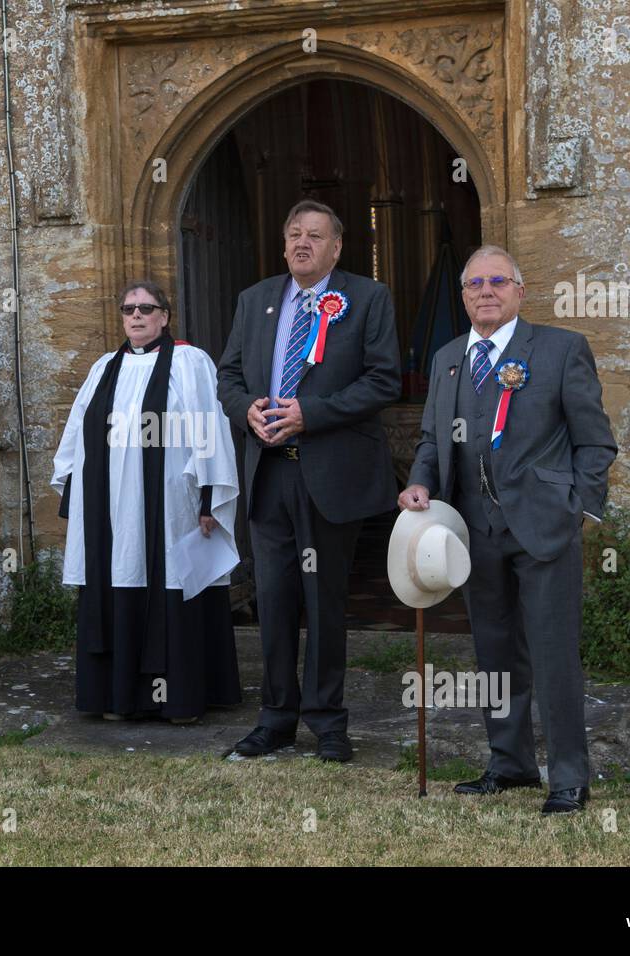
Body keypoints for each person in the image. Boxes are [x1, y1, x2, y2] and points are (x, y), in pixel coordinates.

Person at [398, 244, 617, 814]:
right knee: (494, 656)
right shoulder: (448, 358)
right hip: (474, 533)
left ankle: (569, 776)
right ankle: (511, 763)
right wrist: (421, 484)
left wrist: (577, 506)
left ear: (520, 290)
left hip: (543, 528)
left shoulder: (561, 349)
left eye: (498, 281)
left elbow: (595, 440)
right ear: (463, 295)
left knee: (552, 655)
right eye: (475, 284)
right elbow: (430, 442)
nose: (486, 291)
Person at [217, 200, 402, 762]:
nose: (302, 243)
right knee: (273, 599)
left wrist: (310, 414)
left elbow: (383, 379)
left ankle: (327, 721)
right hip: (269, 473)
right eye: (294, 234)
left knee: (323, 599)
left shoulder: (368, 299)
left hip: (328, 472)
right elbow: (227, 375)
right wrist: (246, 407)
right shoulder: (255, 301)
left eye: (315, 236)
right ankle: (275, 719)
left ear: (337, 246)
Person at [53, 280, 242, 722]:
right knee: (119, 575)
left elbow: (209, 427)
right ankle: (117, 698)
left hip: (170, 504)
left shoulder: (191, 363)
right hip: (111, 511)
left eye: (146, 308)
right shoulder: (104, 367)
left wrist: (210, 496)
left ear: (164, 316)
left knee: (172, 582)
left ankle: (179, 700)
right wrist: (75, 499)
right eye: (128, 309)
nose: (136, 316)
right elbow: (78, 431)